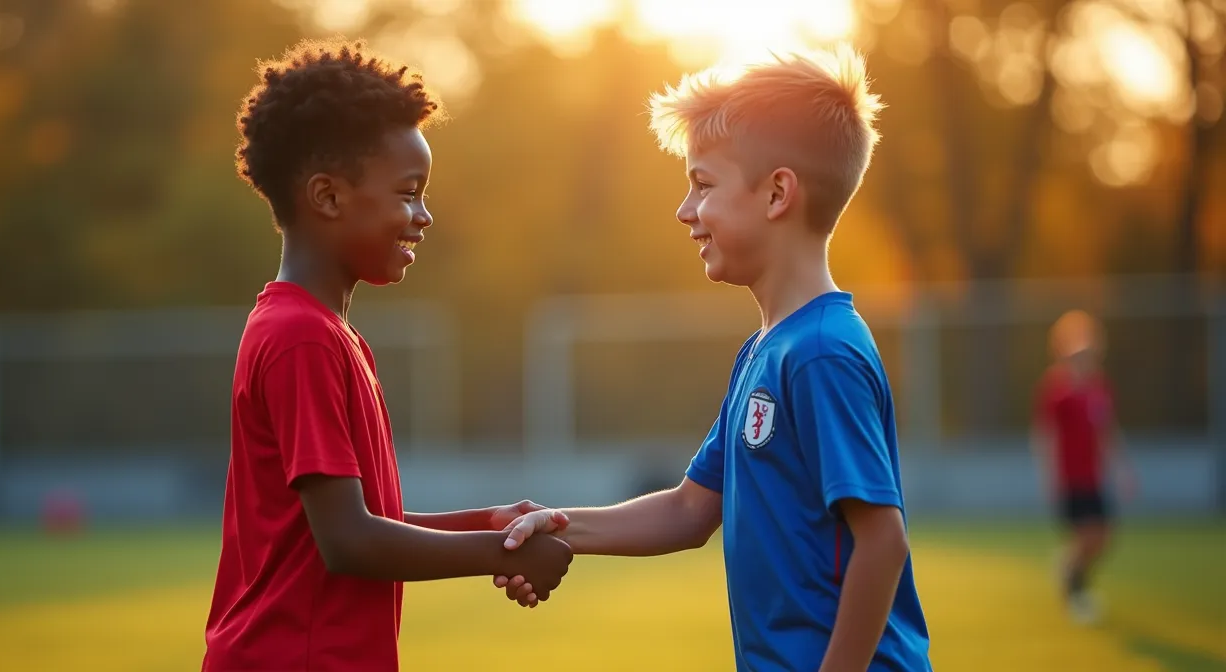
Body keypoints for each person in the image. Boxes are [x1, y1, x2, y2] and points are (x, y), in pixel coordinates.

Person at [496, 46, 931, 671]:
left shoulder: (819, 352)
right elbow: (687, 510)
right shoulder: (766, 350)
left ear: (778, 192)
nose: (685, 210)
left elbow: (882, 543)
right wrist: (554, 526)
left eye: (702, 184)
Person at [201, 39, 572, 672]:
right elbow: (349, 543)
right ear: (328, 197)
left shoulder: (325, 333)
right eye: (408, 193)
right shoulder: (301, 338)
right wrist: (501, 552)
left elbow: (362, 522)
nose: (423, 215)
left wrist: (487, 521)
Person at [1032, 309, 1135, 625]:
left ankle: (1069, 570)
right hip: (1069, 477)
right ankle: (1075, 590)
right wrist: (1049, 475)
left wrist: (1122, 470)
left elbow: (1107, 432)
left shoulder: (1099, 387)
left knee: (1104, 536)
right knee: (1087, 534)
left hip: (1094, 475)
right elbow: (1045, 435)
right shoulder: (1057, 389)